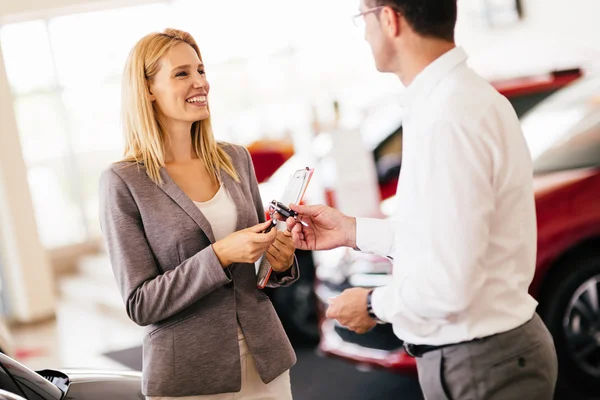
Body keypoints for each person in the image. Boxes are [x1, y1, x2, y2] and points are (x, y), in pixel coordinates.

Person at [284, 1, 558, 399]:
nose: (364, 34)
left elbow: (451, 280)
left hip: (482, 362)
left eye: (364, 19)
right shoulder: (452, 100)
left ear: (390, 19)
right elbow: (440, 236)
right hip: (485, 355)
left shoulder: (449, 115)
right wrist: (351, 231)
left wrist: (374, 304)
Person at [99, 28, 297, 400]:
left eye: (201, 70)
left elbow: (259, 273)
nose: (200, 82)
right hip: (190, 376)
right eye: (182, 73)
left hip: (266, 363)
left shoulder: (235, 158)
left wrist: (280, 261)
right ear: (147, 89)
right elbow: (140, 303)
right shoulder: (122, 182)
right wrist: (220, 254)